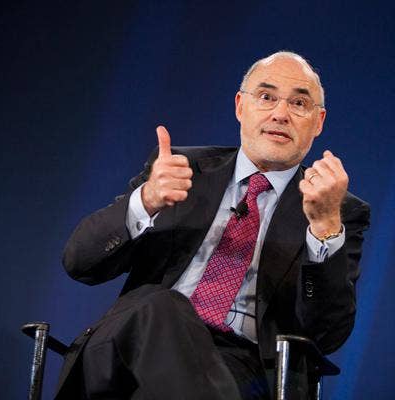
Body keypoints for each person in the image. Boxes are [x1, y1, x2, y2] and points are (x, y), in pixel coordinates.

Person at [55, 51, 370, 400]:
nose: (280, 114)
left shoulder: (337, 211)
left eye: (299, 103)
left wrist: (324, 227)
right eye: (266, 97)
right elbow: (80, 263)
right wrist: (145, 201)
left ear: (318, 122)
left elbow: (326, 334)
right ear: (240, 106)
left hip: (240, 370)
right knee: (162, 305)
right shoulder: (179, 169)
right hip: (128, 351)